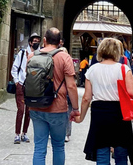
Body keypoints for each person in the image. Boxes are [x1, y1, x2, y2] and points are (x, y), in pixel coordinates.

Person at [76, 37, 133, 165]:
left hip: (100, 112)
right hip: (119, 111)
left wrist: (81, 117)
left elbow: (86, 98)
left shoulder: (92, 70)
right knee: (121, 149)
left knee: (102, 149)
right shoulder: (123, 69)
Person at [29, 28, 79, 165]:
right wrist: (75, 108)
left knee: (39, 148)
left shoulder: (32, 56)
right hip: (58, 107)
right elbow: (71, 86)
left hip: (36, 106)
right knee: (58, 146)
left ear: (44, 40)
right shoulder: (64, 57)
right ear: (60, 42)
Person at [12, 33, 41, 144]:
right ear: (30, 42)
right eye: (35, 40)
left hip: (32, 86)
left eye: (38, 40)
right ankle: (17, 134)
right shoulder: (22, 53)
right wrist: (16, 82)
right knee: (21, 110)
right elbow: (14, 68)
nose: (36, 42)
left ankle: (25, 133)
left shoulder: (39, 55)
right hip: (21, 85)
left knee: (29, 111)